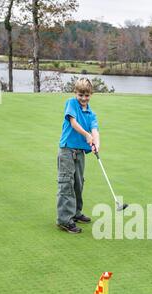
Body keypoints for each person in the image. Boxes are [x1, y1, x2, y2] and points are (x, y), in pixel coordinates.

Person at [56, 78, 100, 234]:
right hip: (67, 150)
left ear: (91, 95)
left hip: (80, 152)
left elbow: (95, 130)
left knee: (78, 183)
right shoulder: (71, 103)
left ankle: (75, 213)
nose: (83, 98)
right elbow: (74, 123)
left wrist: (96, 143)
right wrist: (87, 135)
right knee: (66, 183)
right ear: (75, 93)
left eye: (87, 95)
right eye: (81, 94)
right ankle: (64, 220)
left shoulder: (91, 113)